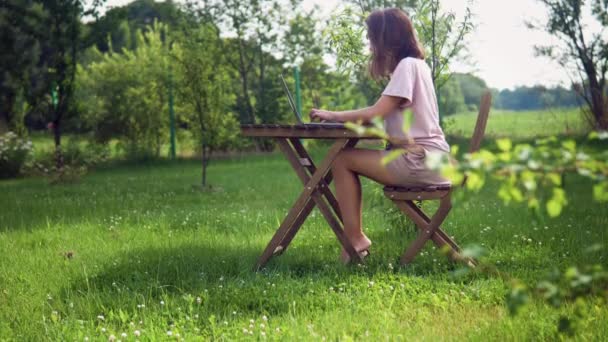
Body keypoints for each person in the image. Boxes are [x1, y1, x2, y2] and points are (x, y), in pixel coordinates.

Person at [309, 8, 451, 263]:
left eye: (371, 36)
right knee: (346, 157)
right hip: (435, 160)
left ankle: (355, 238)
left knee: (341, 160)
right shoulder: (418, 66)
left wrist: (333, 115)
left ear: (386, 38)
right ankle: (354, 238)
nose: (369, 42)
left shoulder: (407, 66)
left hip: (419, 161)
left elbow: (378, 112)